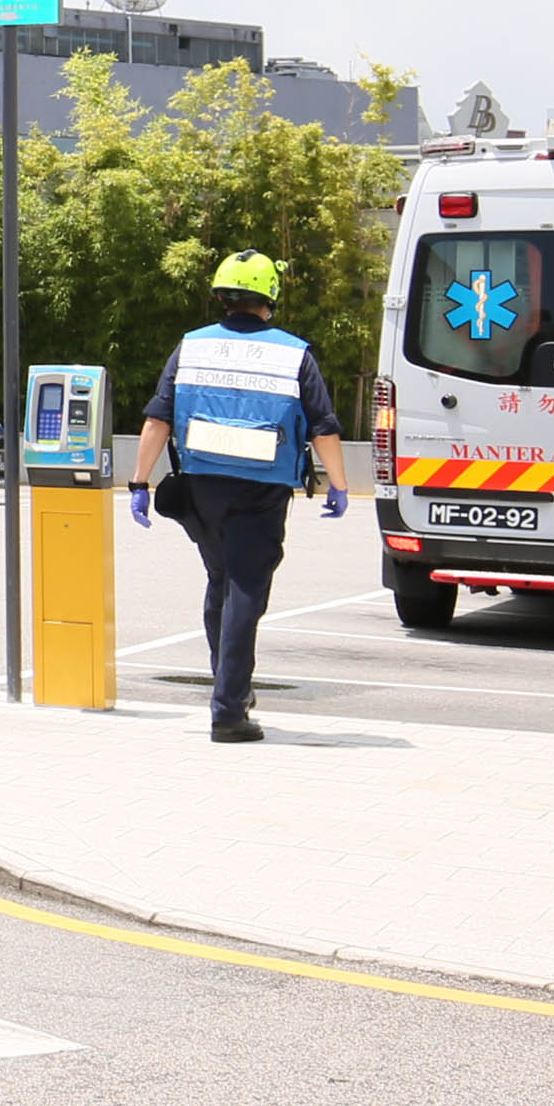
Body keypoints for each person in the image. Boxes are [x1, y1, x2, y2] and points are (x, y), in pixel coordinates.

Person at [126, 251, 353, 744]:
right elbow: (323, 427)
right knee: (247, 591)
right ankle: (229, 710)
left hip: (202, 488)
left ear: (222, 295)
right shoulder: (293, 354)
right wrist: (338, 484)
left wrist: (140, 484)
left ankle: (230, 688)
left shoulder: (192, 346)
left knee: (221, 582)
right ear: (270, 295)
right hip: (261, 492)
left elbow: (158, 419)